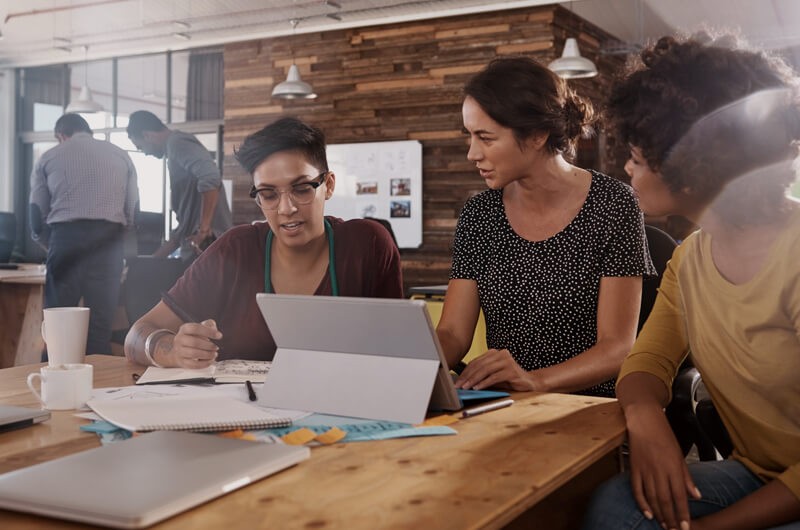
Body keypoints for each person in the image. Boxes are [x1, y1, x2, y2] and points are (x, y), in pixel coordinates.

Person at [583, 33, 800, 530]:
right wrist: (646, 419)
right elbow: (647, 363)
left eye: (637, 156)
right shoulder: (690, 260)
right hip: (761, 475)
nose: (626, 169)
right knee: (616, 505)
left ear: (690, 164)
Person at [435, 56, 654, 397]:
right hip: (507, 406)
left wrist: (535, 381)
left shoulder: (614, 204)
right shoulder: (479, 215)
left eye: (486, 138)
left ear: (537, 135)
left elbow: (617, 348)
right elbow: (452, 334)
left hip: (587, 407)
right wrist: (411, 371)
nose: (472, 153)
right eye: (470, 136)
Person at [124, 117, 404, 368]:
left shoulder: (368, 245)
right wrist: (171, 350)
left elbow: (401, 350)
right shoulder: (235, 250)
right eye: (269, 195)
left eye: (302, 189)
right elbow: (137, 335)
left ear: (328, 185)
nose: (286, 208)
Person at [30, 113, 138, 355]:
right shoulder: (120, 154)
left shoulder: (49, 157)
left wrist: (53, 246)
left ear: (61, 135)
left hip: (66, 238)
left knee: (58, 327)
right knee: (100, 327)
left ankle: (52, 387)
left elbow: (37, 216)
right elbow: (132, 210)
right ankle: (101, 389)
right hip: (108, 242)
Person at [126, 110, 232, 260]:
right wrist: (152, 261)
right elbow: (184, 229)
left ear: (147, 135)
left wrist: (204, 230)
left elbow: (210, 177)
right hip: (198, 250)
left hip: (208, 247)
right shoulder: (173, 150)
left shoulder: (177, 143)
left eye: (141, 147)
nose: (145, 153)